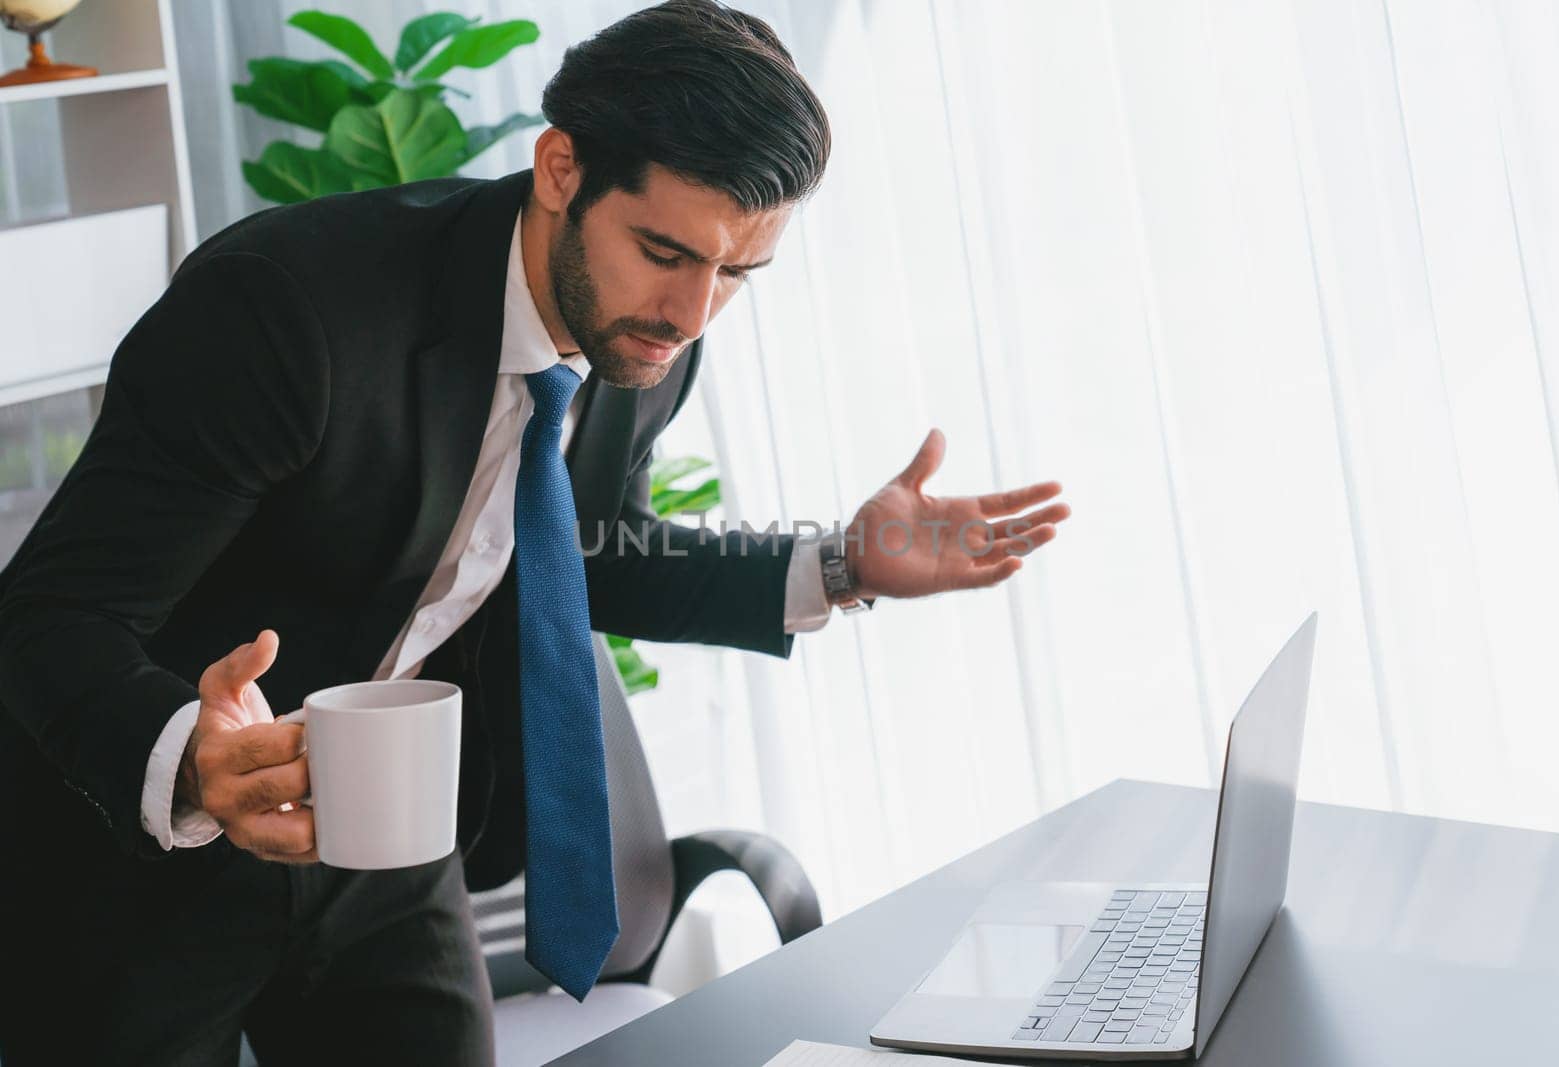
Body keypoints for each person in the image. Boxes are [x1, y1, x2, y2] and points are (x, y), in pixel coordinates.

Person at [0, 1, 1069, 1063]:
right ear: (561, 169)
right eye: (663, 249)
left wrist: (839, 564)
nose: (693, 311)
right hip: (139, 843)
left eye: (735, 273)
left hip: (386, 836)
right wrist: (196, 757)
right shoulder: (289, 312)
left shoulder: (645, 340)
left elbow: (584, 552)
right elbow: (53, 612)